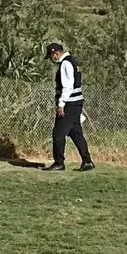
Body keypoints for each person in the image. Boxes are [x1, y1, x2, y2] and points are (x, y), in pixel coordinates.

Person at [43, 42, 94, 172]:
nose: (51, 59)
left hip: (69, 104)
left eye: (51, 56)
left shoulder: (65, 63)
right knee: (76, 133)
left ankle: (59, 163)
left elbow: (68, 86)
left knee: (58, 134)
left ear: (56, 53)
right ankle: (87, 161)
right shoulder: (73, 61)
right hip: (75, 103)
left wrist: (61, 104)